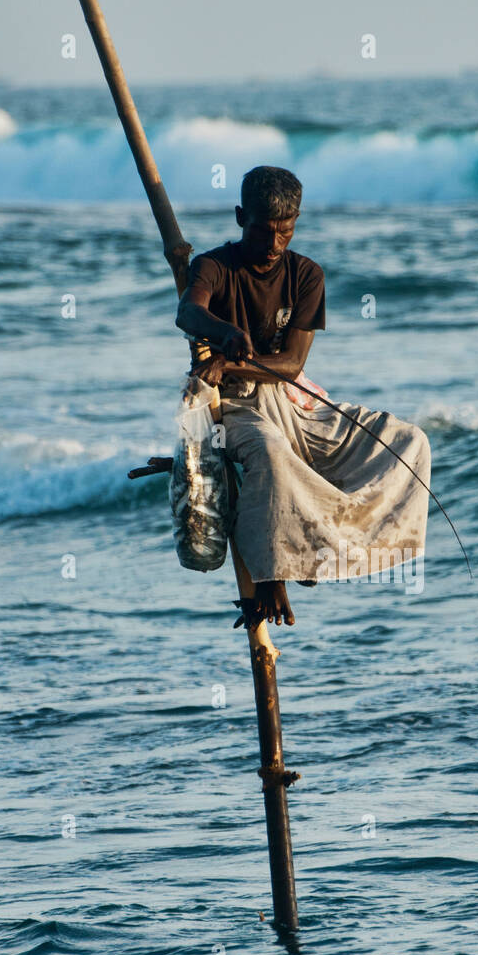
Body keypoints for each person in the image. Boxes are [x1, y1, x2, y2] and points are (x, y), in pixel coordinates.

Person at [175, 165, 430, 628]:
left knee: (408, 440)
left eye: (285, 232)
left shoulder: (306, 274)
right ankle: (274, 576)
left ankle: (321, 554)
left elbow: (291, 364)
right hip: (233, 406)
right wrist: (224, 332)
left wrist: (231, 360)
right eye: (262, 231)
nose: (274, 246)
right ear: (239, 217)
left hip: (292, 398)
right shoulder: (212, 266)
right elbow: (188, 311)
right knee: (273, 456)